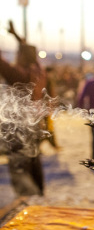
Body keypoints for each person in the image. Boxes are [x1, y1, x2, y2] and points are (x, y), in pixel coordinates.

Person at [0, 22, 47, 196]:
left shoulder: (19, 76)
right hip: (33, 124)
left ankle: (26, 199)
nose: (16, 56)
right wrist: (17, 36)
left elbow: (2, 64)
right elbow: (29, 52)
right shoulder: (38, 70)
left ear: (22, 56)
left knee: (19, 164)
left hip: (19, 127)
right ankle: (38, 193)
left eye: (18, 53)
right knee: (33, 159)